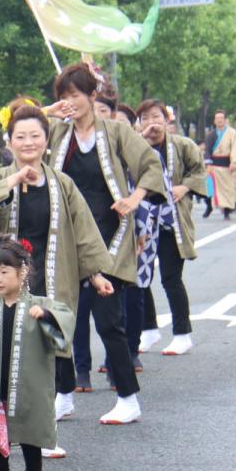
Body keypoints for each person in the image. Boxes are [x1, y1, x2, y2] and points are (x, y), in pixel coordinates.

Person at [0, 103, 111, 456]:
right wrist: (14, 180)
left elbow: (83, 230)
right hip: (4, 282)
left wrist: (95, 273)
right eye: (21, 136)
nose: (29, 142)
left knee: (41, 362)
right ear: (10, 141)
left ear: (47, 140)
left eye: (36, 135)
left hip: (47, 282)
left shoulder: (61, 183)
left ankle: (40, 436)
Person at [44, 63, 168, 426]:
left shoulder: (114, 131)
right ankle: (63, 395)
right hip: (66, 234)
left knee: (109, 320)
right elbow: (17, 125)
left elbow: (150, 164)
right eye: (63, 97)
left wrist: (135, 198)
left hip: (108, 232)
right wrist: (49, 113)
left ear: (92, 95)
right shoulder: (56, 132)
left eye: (76, 96)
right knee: (61, 319)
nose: (70, 103)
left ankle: (128, 398)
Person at [0, 236, 74, 471]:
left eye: (4, 272)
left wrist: (46, 316)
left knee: (31, 427)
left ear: (23, 271)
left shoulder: (39, 304)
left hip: (29, 382)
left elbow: (65, 321)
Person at [134, 99, 207, 358]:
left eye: (156, 117)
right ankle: (149, 329)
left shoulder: (182, 145)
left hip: (171, 221)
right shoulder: (136, 146)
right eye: (145, 118)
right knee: (140, 279)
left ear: (166, 120)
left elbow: (199, 170)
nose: (151, 122)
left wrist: (184, 187)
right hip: (143, 222)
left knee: (170, 278)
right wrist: (141, 138)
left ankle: (182, 334)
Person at [208, 110, 236, 220]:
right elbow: (208, 150)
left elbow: (235, 148)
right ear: (214, 121)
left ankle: (228, 209)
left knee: (229, 189)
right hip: (216, 166)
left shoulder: (232, 133)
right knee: (217, 190)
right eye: (217, 118)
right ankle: (221, 209)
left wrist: (234, 162)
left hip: (228, 165)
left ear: (225, 120)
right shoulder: (211, 134)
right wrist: (208, 163)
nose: (219, 120)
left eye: (221, 118)